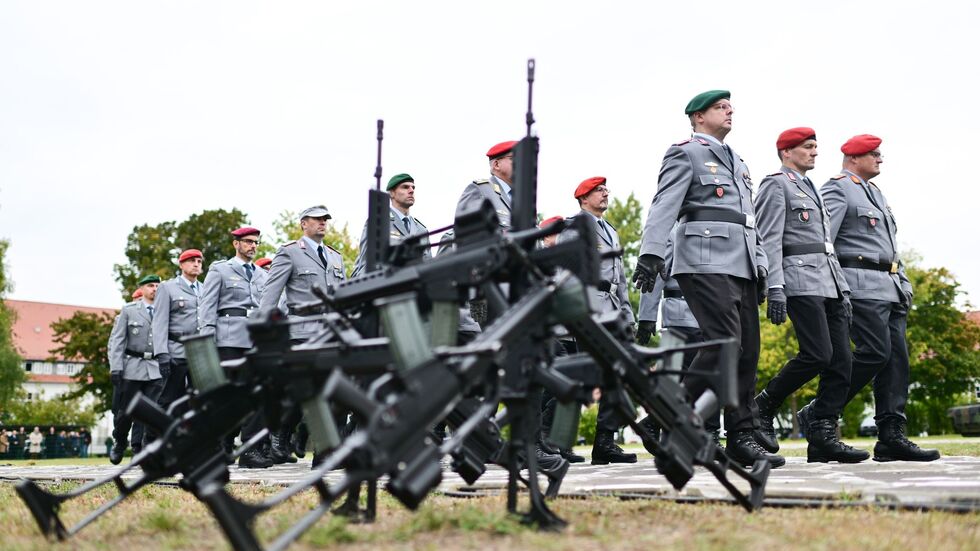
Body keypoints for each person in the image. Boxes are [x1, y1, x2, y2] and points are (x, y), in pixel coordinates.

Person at [633, 90, 784, 468]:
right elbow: (664, 204)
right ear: (698, 117)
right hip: (703, 259)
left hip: (742, 263)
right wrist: (651, 253)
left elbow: (750, 222)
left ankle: (740, 436)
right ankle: (668, 417)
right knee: (724, 344)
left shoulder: (739, 161)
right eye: (721, 107)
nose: (729, 112)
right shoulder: (685, 152)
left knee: (747, 350)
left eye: (731, 107)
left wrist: (762, 265)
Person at [818, 134, 939, 462]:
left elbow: (889, 248)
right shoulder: (837, 188)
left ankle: (891, 435)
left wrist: (903, 281)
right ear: (853, 158)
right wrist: (835, 287)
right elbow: (823, 243)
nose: (880, 158)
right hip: (858, 286)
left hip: (890, 288)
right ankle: (821, 411)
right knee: (875, 352)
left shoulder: (876, 194)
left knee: (897, 360)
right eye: (873, 154)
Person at [752, 128, 867, 463]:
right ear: (787, 152)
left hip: (829, 282)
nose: (815, 152)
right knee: (817, 354)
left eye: (816, 146)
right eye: (807, 147)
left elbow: (828, 246)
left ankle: (822, 433)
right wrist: (775, 286)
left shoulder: (812, 188)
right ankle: (764, 404)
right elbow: (768, 238)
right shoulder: (776, 184)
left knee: (842, 360)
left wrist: (842, 289)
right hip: (799, 279)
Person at [260, 206, 347, 465]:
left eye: (325, 220)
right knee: (304, 392)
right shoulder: (289, 253)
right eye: (317, 219)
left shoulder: (335, 257)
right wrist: (266, 328)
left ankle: (325, 453)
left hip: (330, 330)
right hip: (301, 329)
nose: (323, 223)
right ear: (303, 224)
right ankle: (283, 434)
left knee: (333, 391)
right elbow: (270, 294)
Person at [559, 177, 637, 465]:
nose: (605, 193)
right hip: (588, 310)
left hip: (612, 309)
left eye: (605, 190)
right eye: (598, 190)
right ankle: (559, 442)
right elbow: (564, 271)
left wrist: (627, 316)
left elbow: (620, 280)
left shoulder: (611, 231)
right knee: (580, 378)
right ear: (583, 199)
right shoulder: (574, 226)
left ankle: (605, 442)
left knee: (616, 375)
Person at [200, 226, 271, 468]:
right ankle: (220, 446)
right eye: (248, 242)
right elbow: (207, 306)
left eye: (256, 243)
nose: (253, 246)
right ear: (236, 244)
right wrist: (206, 341)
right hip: (228, 339)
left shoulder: (263, 275)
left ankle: (250, 450)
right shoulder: (220, 270)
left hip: (255, 340)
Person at [107, 274, 164, 465]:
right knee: (125, 412)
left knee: (151, 412)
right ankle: (120, 442)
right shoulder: (129, 311)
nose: (154, 289)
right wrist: (116, 368)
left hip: (155, 368)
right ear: (142, 289)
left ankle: (145, 450)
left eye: (158, 286)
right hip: (132, 367)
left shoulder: (165, 311)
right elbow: (117, 341)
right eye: (150, 285)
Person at [153, 248, 204, 414]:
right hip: (176, 351)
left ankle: (191, 439)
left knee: (198, 400)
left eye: (199, 261)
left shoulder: (205, 289)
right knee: (169, 399)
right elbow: (159, 321)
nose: (196, 264)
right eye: (192, 261)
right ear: (181, 264)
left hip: (199, 352)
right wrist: (162, 353)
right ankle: (153, 439)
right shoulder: (168, 287)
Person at [351, 173, 431, 278]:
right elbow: (366, 262)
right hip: (386, 287)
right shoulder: (379, 222)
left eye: (413, 188)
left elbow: (428, 265)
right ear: (392, 193)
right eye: (405, 187)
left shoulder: (421, 230)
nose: (411, 191)